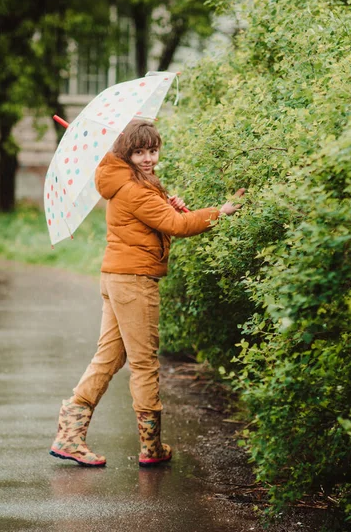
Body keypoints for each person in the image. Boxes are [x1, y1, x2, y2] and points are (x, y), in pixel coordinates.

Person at [49, 119, 245, 468]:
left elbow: (159, 219)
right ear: (125, 153)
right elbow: (178, 225)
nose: (147, 158)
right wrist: (222, 212)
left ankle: (69, 436)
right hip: (134, 281)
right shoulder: (135, 189)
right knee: (144, 363)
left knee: (109, 358)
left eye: (152, 150)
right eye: (138, 151)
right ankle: (150, 447)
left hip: (117, 277)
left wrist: (167, 202)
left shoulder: (127, 182)